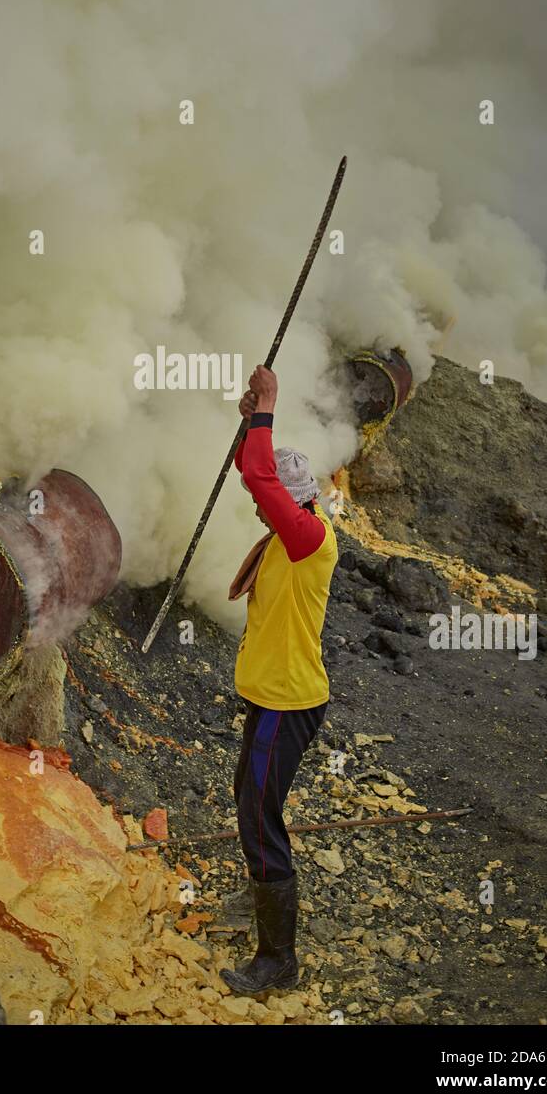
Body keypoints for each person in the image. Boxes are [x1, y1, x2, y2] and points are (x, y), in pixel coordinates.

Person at [218, 364, 338, 996]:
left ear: (292, 502)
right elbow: (256, 474)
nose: (257, 506)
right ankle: (259, 901)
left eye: (267, 503)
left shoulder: (307, 538)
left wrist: (266, 407)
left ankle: (277, 960)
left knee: (259, 815)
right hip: (271, 698)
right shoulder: (293, 527)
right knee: (249, 798)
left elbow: (262, 481)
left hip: (287, 703)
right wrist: (249, 430)